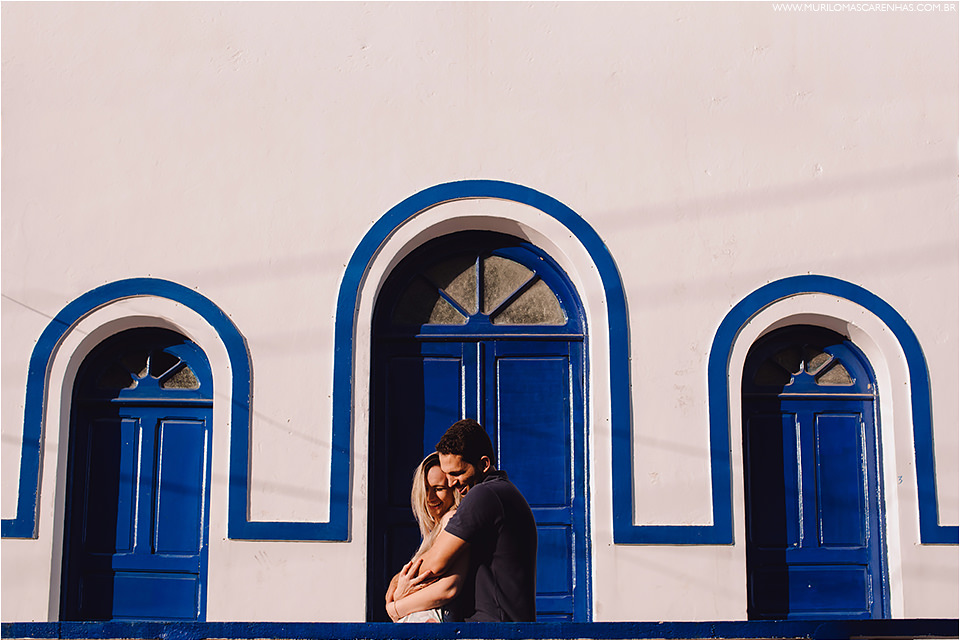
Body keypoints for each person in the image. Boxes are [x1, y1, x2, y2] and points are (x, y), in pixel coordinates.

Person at [404, 419, 538, 622]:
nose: (451, 483)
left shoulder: (484, 494)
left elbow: (434, 564)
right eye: (447, 474)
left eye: (457, 473)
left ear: (484, 464)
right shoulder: (503, 493)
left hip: (493, 631)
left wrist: (398, 592)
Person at [384, 452, 467, 623]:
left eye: (439, 489)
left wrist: (395, 607)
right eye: (426, 489)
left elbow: (448, 587)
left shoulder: (452, 518)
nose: (430, 498)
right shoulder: (437, 529)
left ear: (453, 488)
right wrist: (397, 585)